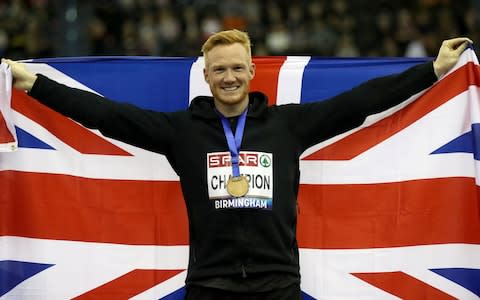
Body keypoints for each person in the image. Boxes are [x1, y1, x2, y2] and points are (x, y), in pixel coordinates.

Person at [2, 30, 472, 300]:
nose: (228, 77)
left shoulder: (289, 127)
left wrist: (431, 70)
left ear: (251, 71)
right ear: (206, 76)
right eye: (219, 70)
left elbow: (360, 103)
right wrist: (31, 83)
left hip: (279, 285)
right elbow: (104, 116)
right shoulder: (181, 131)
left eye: (236, 68)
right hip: (209, 286)